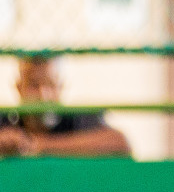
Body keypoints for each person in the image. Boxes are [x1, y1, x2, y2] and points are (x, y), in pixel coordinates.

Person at [0, 54, 131, 158]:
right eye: (34, 85)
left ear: (61, 87)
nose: (43, 95)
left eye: (50, 85)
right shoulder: (6, 120)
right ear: (18, 87)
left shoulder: (76, 117)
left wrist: (39, 145)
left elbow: (119, 142)